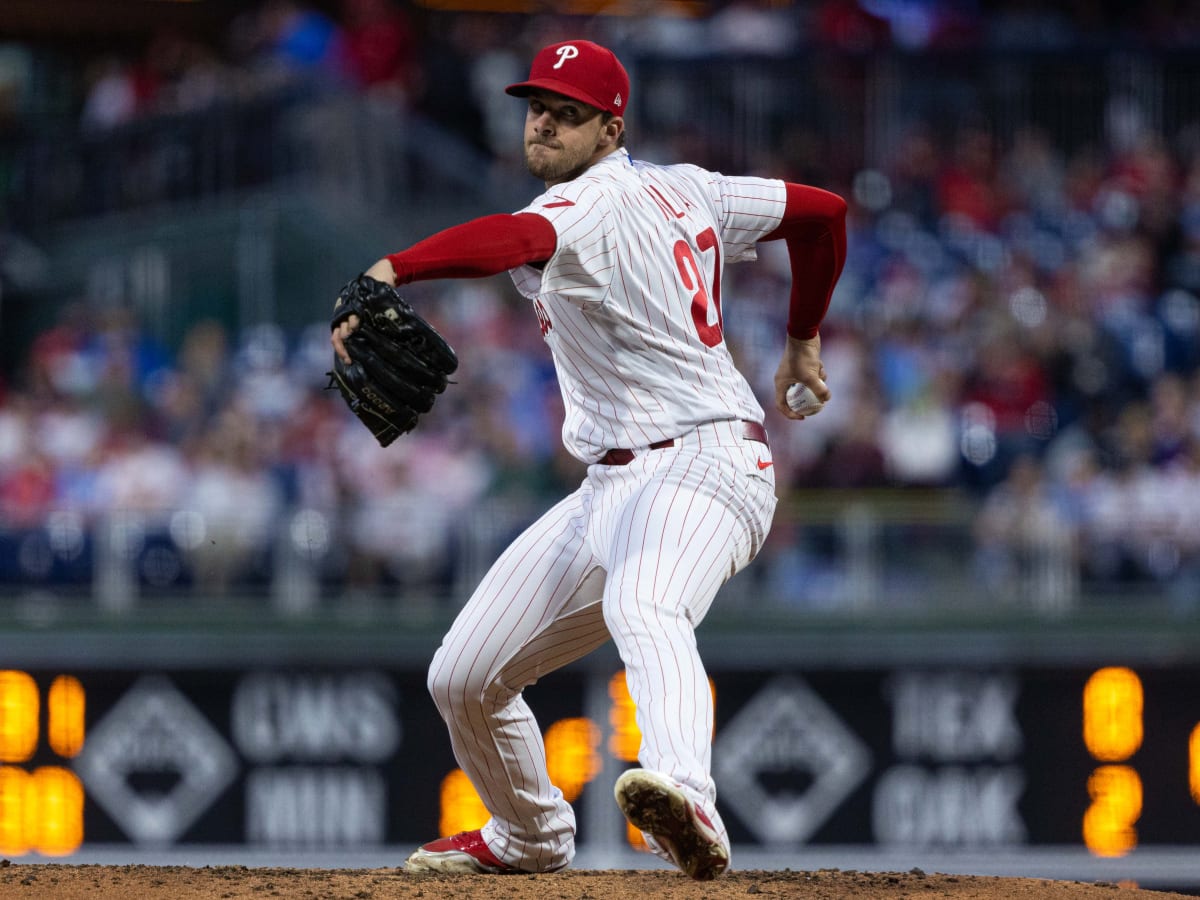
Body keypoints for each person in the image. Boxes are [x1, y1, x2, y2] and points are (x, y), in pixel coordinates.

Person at [331, 39, 847, 880]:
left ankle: (689, 796)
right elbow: (822, 214)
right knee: (464, 676)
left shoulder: (592, 203)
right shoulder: (693, 188)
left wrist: (396, 267)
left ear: (610, 128)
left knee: (646, 604)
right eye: (536, 105)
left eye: (567, 112)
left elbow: (511, 236)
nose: (543, 122)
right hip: (613, 483)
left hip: (707, 464)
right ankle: (528, 836)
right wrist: (802, 339)